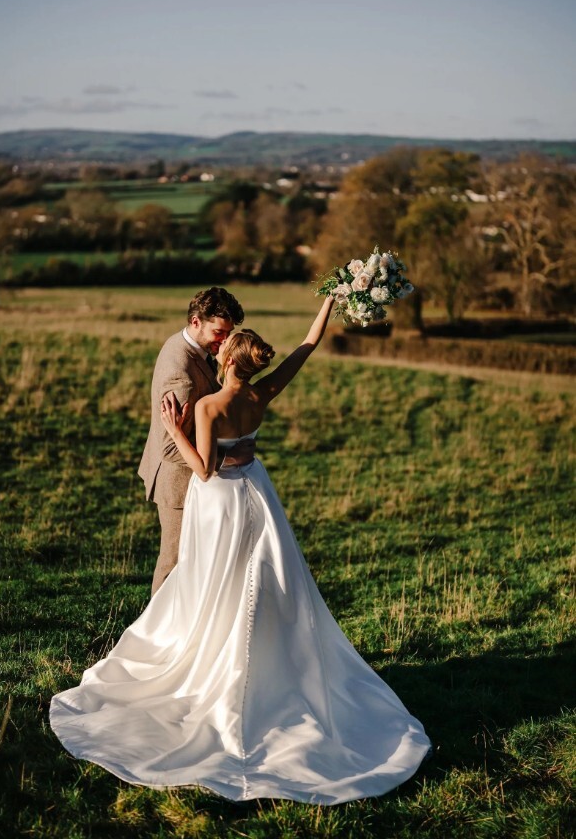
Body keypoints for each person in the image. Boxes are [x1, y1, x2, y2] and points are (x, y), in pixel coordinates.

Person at [50, 296, 432, 804]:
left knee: (214, 580)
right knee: (261, 579)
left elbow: (205, 470)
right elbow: (307, 345)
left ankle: (207, 659)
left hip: (221, 503)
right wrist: (329, 301)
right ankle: (269, 667)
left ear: (228, 359)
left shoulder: (210, 407)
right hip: (258, 493)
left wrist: (173, 429)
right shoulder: (261, 393)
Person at [138, 286, 253, 594]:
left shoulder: (184, 343)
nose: (224, 341)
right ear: (195, 322)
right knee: (173, 562)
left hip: (193, 480)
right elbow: (169, 446)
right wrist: (228, 456)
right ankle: (157, 624)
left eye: (228, 333)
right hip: (178, 483)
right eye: (219, 333)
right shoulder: (183, 378)